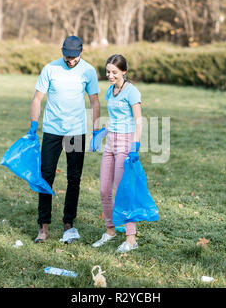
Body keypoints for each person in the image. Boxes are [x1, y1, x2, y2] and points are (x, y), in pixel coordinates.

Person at [28, 36, 101, 243]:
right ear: (62, 52)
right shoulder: (50, 69)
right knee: (46, 177)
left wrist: (95, 130)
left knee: (74, 178)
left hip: (76, 131)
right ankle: (43, 227)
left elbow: (94, 101)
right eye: (67, 57)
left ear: (81, 53)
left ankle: (68, 224)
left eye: (74, 57)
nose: (70, 61)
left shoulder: (88, 70)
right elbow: (37, 98)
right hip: (52, 130)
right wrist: (34, 124)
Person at [91, 54, 142, 253]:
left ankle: (131, 239)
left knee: (123, 190)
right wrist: (102, 130)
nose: (110, 76)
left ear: (123, 72)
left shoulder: (132, 92)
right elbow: (113, 116)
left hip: (126, 144)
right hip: (110, 143)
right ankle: (110, 231)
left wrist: (135, 146)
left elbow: (138, 120)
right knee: (104, 190)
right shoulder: (109, 91)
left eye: (114, 72)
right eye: (108, 72)